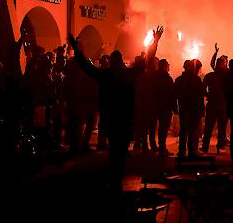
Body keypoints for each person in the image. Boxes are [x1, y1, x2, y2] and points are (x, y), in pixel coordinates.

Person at [67, 25, 164, 193]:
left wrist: (77, 49)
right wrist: (155, 42)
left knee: (115, 150)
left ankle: (115, 178)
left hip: (112, 118)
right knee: (120, 150)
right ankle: (116, 177)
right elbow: (147, 60)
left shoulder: (106, 75)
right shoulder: (128, 74)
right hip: (123, 119)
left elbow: (87, 67)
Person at [202, 43, 229, 153]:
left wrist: (208, 95)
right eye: (223, 63)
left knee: (211, 127)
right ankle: (220, 147)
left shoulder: (213, 75)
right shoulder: (226, 75)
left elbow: (203, 88)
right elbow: (203, 88)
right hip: (220, 104)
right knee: (218, 127)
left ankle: (206, 147)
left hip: (217, 103)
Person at [175, 59, 204, 157]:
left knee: (184, 129)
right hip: (194, 108)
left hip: (184, 107)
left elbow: (174, 94)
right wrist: (202, 109)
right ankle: (192, 150)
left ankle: (182, 151)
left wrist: (175, 106)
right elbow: (200, 96)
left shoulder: (179, 79)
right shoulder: (196, 80)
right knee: (193, 130)